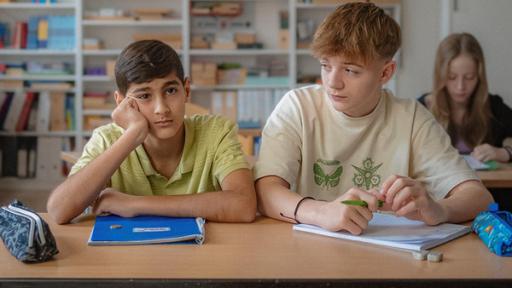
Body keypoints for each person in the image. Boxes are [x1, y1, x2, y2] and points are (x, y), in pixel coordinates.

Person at [254, 2, 493, 235]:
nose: (332, 82)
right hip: (309, 253)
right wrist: (322, 212)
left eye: (351, 70)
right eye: (326, 66)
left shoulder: (411, 119)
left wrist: (439, 209)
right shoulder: (297, 107)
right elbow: (265, 192)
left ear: (385, 72)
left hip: (388, 259)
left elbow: (479, 198)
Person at [47, 40, 256, 224]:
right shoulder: (108, 139)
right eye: (144, 96)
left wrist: (136, 204)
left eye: (170, 90)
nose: (161, 108)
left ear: (187, 90)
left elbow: (244, 205)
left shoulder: (215, 132)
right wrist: (131, 135)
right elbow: (59, 211)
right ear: (121, 103)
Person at [418, 32, 512, 163]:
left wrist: (504, 153)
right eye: (452, 77)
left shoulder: (493, 107)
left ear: (479, 76)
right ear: (440, 75)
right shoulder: (421, 110)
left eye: (469, 77)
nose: (460, 87)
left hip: (486, 183)